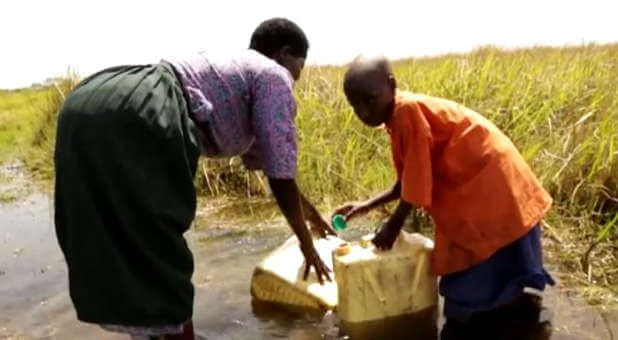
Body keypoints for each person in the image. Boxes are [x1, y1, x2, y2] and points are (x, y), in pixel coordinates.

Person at [54, 18, 334, 340]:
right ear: (284, 54)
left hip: (90, 99)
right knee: (159, 240)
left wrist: (311, 215)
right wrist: (306, 244)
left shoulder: (233, 68)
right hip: (147, 111)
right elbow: (281, 179)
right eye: (296, 71)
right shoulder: (273, 74)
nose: (293, 81)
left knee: (113, 226)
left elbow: (277, 170)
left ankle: (153, 333)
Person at [333, 55, 555, 332]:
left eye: (369, 100)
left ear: (392, 85)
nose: (364, 112)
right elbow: (409, 180)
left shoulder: (407, 112)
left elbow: (414, 189)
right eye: (355, 106)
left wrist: (393, 226)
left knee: (472, 293)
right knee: (486, 291)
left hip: (490, 182)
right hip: (482, 183)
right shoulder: (399, 114)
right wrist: (366, 205)